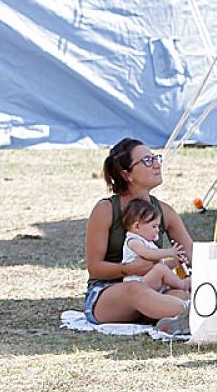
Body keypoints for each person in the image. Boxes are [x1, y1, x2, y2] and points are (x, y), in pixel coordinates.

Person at [83, 139, 195, 331]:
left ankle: (180, 314)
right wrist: (130, 268)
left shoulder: (165, 211)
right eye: (147, 161)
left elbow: (192, 255)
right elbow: (95, 269)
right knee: (135, 289)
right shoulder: (106, 210)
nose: (157, 164)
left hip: (151, 288)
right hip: (107, 295)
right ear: (126, 174)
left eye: (155, 158)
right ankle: (197, 314)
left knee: (179, 292)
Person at [119, 198, 191, 295]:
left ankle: (181, 293)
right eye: (154, 226)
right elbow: (148, 254)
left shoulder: (148, 242)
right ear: (137, 226)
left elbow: (159, 264)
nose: (157, 230)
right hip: (136, 285)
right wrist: (170, 252)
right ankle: (182, 284)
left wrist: (175, 262)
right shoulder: (133, 241)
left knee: (161, 268)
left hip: (148, 283)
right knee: (160, 269)